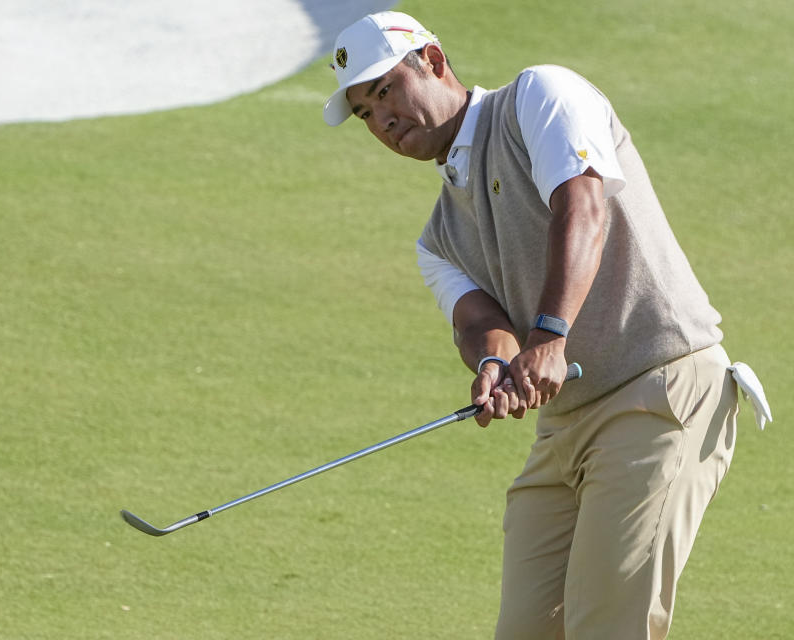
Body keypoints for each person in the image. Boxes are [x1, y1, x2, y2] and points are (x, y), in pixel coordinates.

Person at [322, 10, 771, 640]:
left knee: (607, 627)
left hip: (659, 390)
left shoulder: (538, 95)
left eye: (385, 89)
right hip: (564, 430)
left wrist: (550, 336)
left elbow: (581, 204)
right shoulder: (437, 237)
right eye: (365, 112)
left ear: (432, 60)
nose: (383, 119)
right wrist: (494, 363)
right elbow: (478, 320)